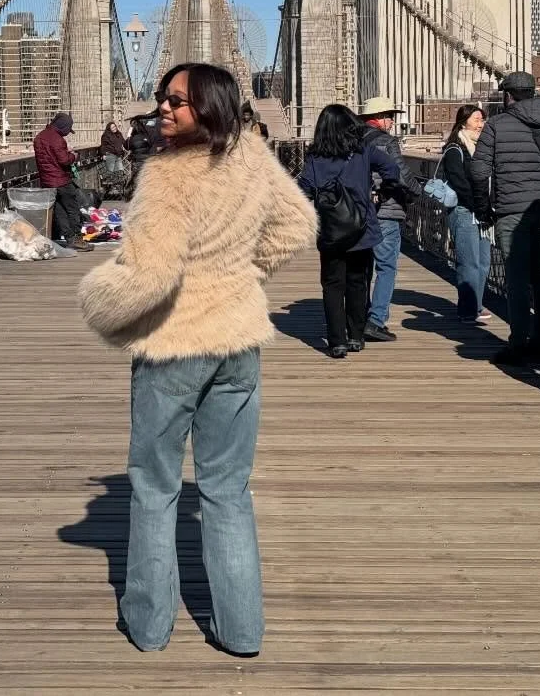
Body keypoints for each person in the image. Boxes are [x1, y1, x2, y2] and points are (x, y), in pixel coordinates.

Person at [78, 62, 317, 656]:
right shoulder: (254, 159)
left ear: (208, 107)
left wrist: (97, 303)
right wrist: (240, 277)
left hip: (173, 349)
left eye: (177, 101)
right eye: (163, 97)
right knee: (228, 491)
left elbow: (149, 277)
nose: (163, 107)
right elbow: (297, 223)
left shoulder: (166, 176)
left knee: (155, 491)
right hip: (238, 342)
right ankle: (241, 631)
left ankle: (150, 626)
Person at [298, 104, 404, 360]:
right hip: (361, 227)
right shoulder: (363, 151)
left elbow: (303, 190)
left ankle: (337, 342)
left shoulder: (314, 158)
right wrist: (382, 191)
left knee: (333, 285)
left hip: (332, 231)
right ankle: (356, 336)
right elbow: (392, 169)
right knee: (358, 282)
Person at [468, 72, 540, 366]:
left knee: (517, 279)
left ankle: (519, 342)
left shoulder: (495, 125)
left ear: (508, 95)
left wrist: (483, 207)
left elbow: (479, 172)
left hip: (510, 210)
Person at [359, 96, 409, 343]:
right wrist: (418, 193)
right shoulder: (388, 142)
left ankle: (358, 317)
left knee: (363, 266)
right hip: (387, 210)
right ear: (378, 118)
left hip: (359, 212)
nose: (392, 121)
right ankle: (376, 320)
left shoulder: (353, 141)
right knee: (386, 266)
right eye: (390, 116)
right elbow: (401, 174)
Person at [440, 104, 492, 323]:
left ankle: (477, 306)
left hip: (481, 212)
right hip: (464, 211)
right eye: (477, 119)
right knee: (468, 262)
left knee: (483, 262)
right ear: (464, 122)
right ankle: (467, 310)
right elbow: (459, 182)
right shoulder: (455, 149)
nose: (481, 124)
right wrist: (478, 204)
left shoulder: (481, 148)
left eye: (482, 120)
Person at [33, 112, 93, 252]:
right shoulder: (58, 139)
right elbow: (64, 160)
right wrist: (73, 155)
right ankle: (77, 239)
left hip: (47, 182)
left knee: (60, 212)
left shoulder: (39, 137)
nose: (67, 133)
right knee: (73, 210)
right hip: (61, 181)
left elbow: (49, 158)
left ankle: (69, 238)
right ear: (63, 126)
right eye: (67, 130)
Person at [125, 114, 158, 197]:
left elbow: (126, 146)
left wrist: (129, 135)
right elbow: (152, 145)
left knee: (136, 179)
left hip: (136, 161)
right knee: (146, 178)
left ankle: (136, 195)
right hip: (147, 160)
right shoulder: (147, 136)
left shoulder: (132, 139)